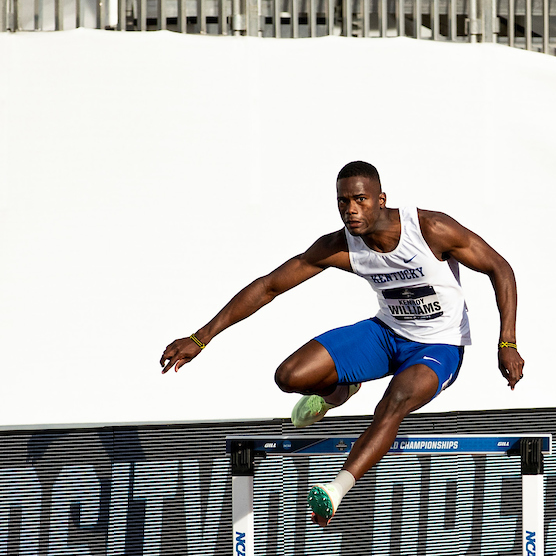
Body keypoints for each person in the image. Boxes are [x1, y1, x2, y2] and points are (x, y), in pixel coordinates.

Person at [160, 161, 524, 526]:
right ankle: (339, 390)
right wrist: (200, 337)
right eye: (343, 202)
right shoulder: (340, 245)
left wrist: (506, 341)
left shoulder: (430, 229)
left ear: (381, 200)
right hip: (386, 333)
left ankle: (335, 491)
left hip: (439, 345)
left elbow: (499, 267)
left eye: (360, 200)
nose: (351, 210)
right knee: (289, 376)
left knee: (394, 401)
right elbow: (269, 286)